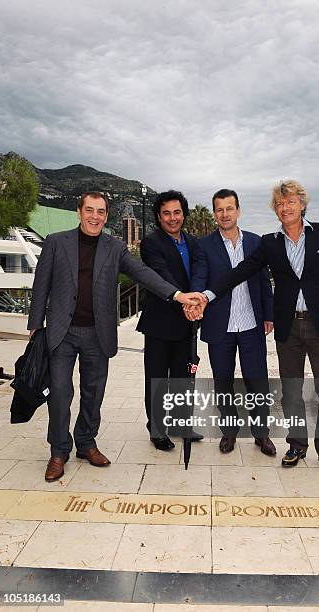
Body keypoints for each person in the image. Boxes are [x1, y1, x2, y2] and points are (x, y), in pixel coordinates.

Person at [28, 191, 205, 481]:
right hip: (62, 331)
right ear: (79, 211)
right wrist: (35, 325)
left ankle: (86, 443)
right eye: (89, 210)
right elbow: (41, 285)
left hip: (98, 333)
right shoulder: (57, 242)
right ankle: (59, 451)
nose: (94, 216)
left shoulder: (115, 247)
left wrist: (177, 295)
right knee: (60, 393)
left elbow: (143, 274)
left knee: (93, 393)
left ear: (106, 216)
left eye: (100, 211)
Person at [186, 180, 319, 476]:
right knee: (291, 391)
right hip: (288, 327)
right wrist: (206, 296)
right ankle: (297, 445)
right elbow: (240, 272)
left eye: (290, 202)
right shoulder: (269, 243)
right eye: (279, 204)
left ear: (302, 204)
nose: (285, 208)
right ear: (274, 210)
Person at [190, 189, 276, 455]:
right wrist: (195, 300)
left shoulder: (256, 242)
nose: (225, 214)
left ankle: (262, 434)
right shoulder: (204, 245)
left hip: (251, 323)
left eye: (230, 208)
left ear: (238, 210)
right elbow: (200, 278)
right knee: (223, 381)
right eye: (219, 209)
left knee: (257, 380)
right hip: (220, 326)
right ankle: (229, 432)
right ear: (215, 213)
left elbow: (264, 281)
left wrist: (269, 314)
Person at [136, 190, 204, 450]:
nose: (172, 218)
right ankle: (157, 430)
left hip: (187, 324)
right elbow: (162, 277)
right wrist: (185, 300)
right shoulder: (151, 244)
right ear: (158, 216)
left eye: (177, 212)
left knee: (183, 378)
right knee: (157, 379)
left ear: (183, 214)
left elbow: (200, 271)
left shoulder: (194, 242)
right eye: (167, 213)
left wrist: (195, 299)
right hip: (159, 324)